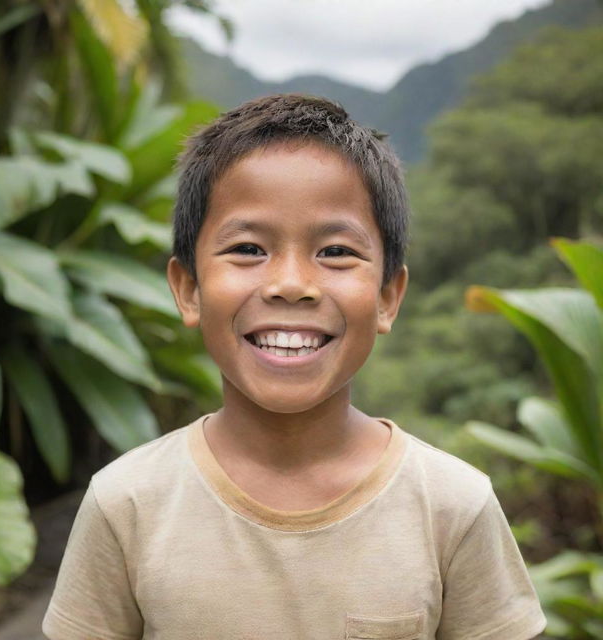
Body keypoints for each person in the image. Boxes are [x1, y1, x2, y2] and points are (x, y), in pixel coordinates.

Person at [42, 94, 546, 639]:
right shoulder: (127, 503)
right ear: (188, 289)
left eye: (334, 252)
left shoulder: (453, 506)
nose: (290, 284)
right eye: (248, 248)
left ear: (387, 297)